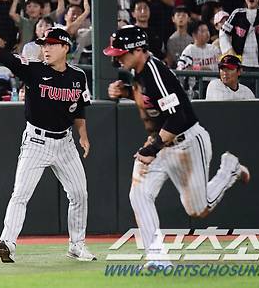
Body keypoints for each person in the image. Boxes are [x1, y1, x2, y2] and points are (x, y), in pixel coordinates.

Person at [104, 25, 249, 268]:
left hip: (186, 143)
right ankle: (157, 257)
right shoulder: (139, 71)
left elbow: (177, 118)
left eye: (121, 53)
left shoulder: (154, 72)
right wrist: (128, 92)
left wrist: (152, 149)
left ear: (139, 50)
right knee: (139, 194)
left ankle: (229, 170)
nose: (117, 58)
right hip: (161, 142)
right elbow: (154, 102)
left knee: (198, 209)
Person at [0, 22, 95, 263]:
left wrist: (83, 135)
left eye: (52, 45)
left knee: (79, 194)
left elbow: (79, 109)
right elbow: (4, 57)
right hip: (36, 141)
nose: (46, 49)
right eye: (43, 45)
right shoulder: (33, 69)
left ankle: (77, 245)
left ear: (65, 47)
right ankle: (7, 243)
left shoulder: (78, 76)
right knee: (21, 193)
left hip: (65, 143)